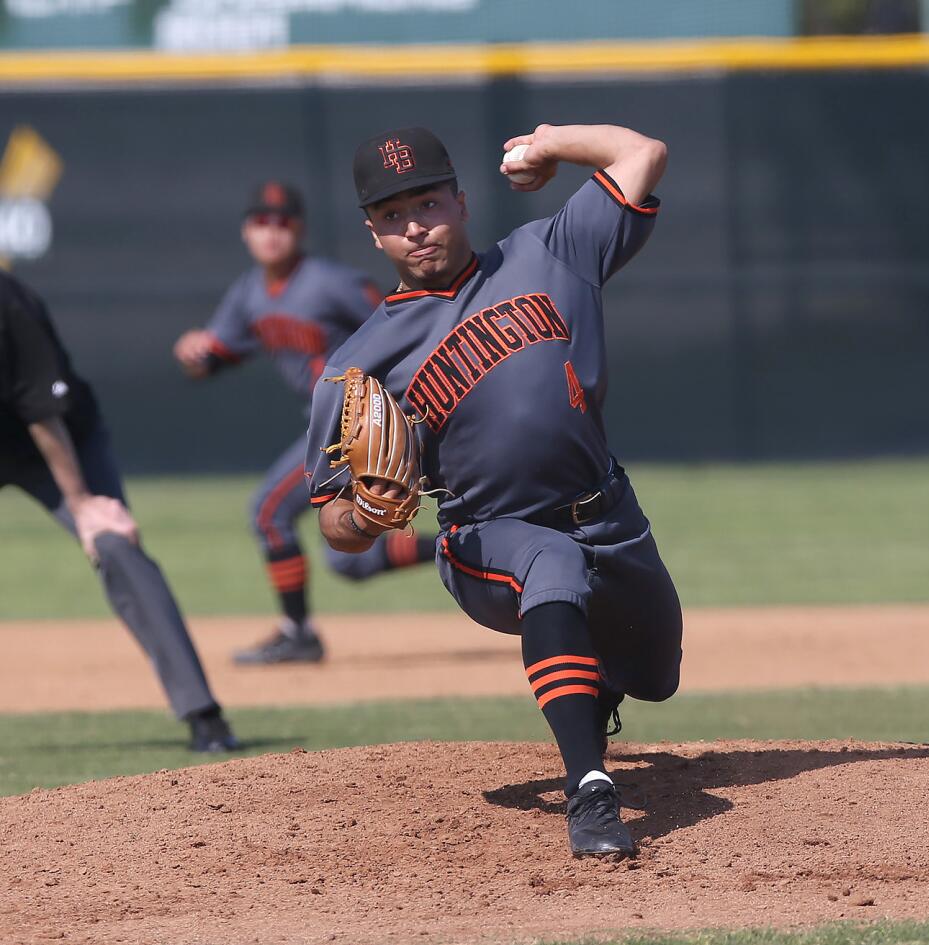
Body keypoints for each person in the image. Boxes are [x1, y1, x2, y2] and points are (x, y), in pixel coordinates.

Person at [306, 124, 681, 857]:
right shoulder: (357, 366)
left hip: (610, 512)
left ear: (461, 199)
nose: (414, 224)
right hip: (490, 534)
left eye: (427, 201)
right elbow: (330, 521)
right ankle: (591, 794)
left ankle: (593, 677)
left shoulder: (552, 252)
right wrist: (366, 513)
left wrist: (551, 142)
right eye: (392, 214)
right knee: (551, 565)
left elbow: (645, 154)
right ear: (372, 232)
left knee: (656, 674)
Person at [173, 182, 436, 665]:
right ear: (246, 231)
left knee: (269, 511)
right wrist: (195, 353)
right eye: (261, 222)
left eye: (282, 222)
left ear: (300, 229)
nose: (271, 232)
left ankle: (298, 633)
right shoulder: (249, 293)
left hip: (356, 425)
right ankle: (455, 550)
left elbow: (405, 322)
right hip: (330, 431)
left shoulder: (331, 283)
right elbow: (215, 357)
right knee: (346, 559)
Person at [1, 269, 239, 751]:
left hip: (59, 445)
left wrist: (82, 504)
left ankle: (203, 714)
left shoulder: (9, 304)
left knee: (113, 542)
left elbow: (42, 415)